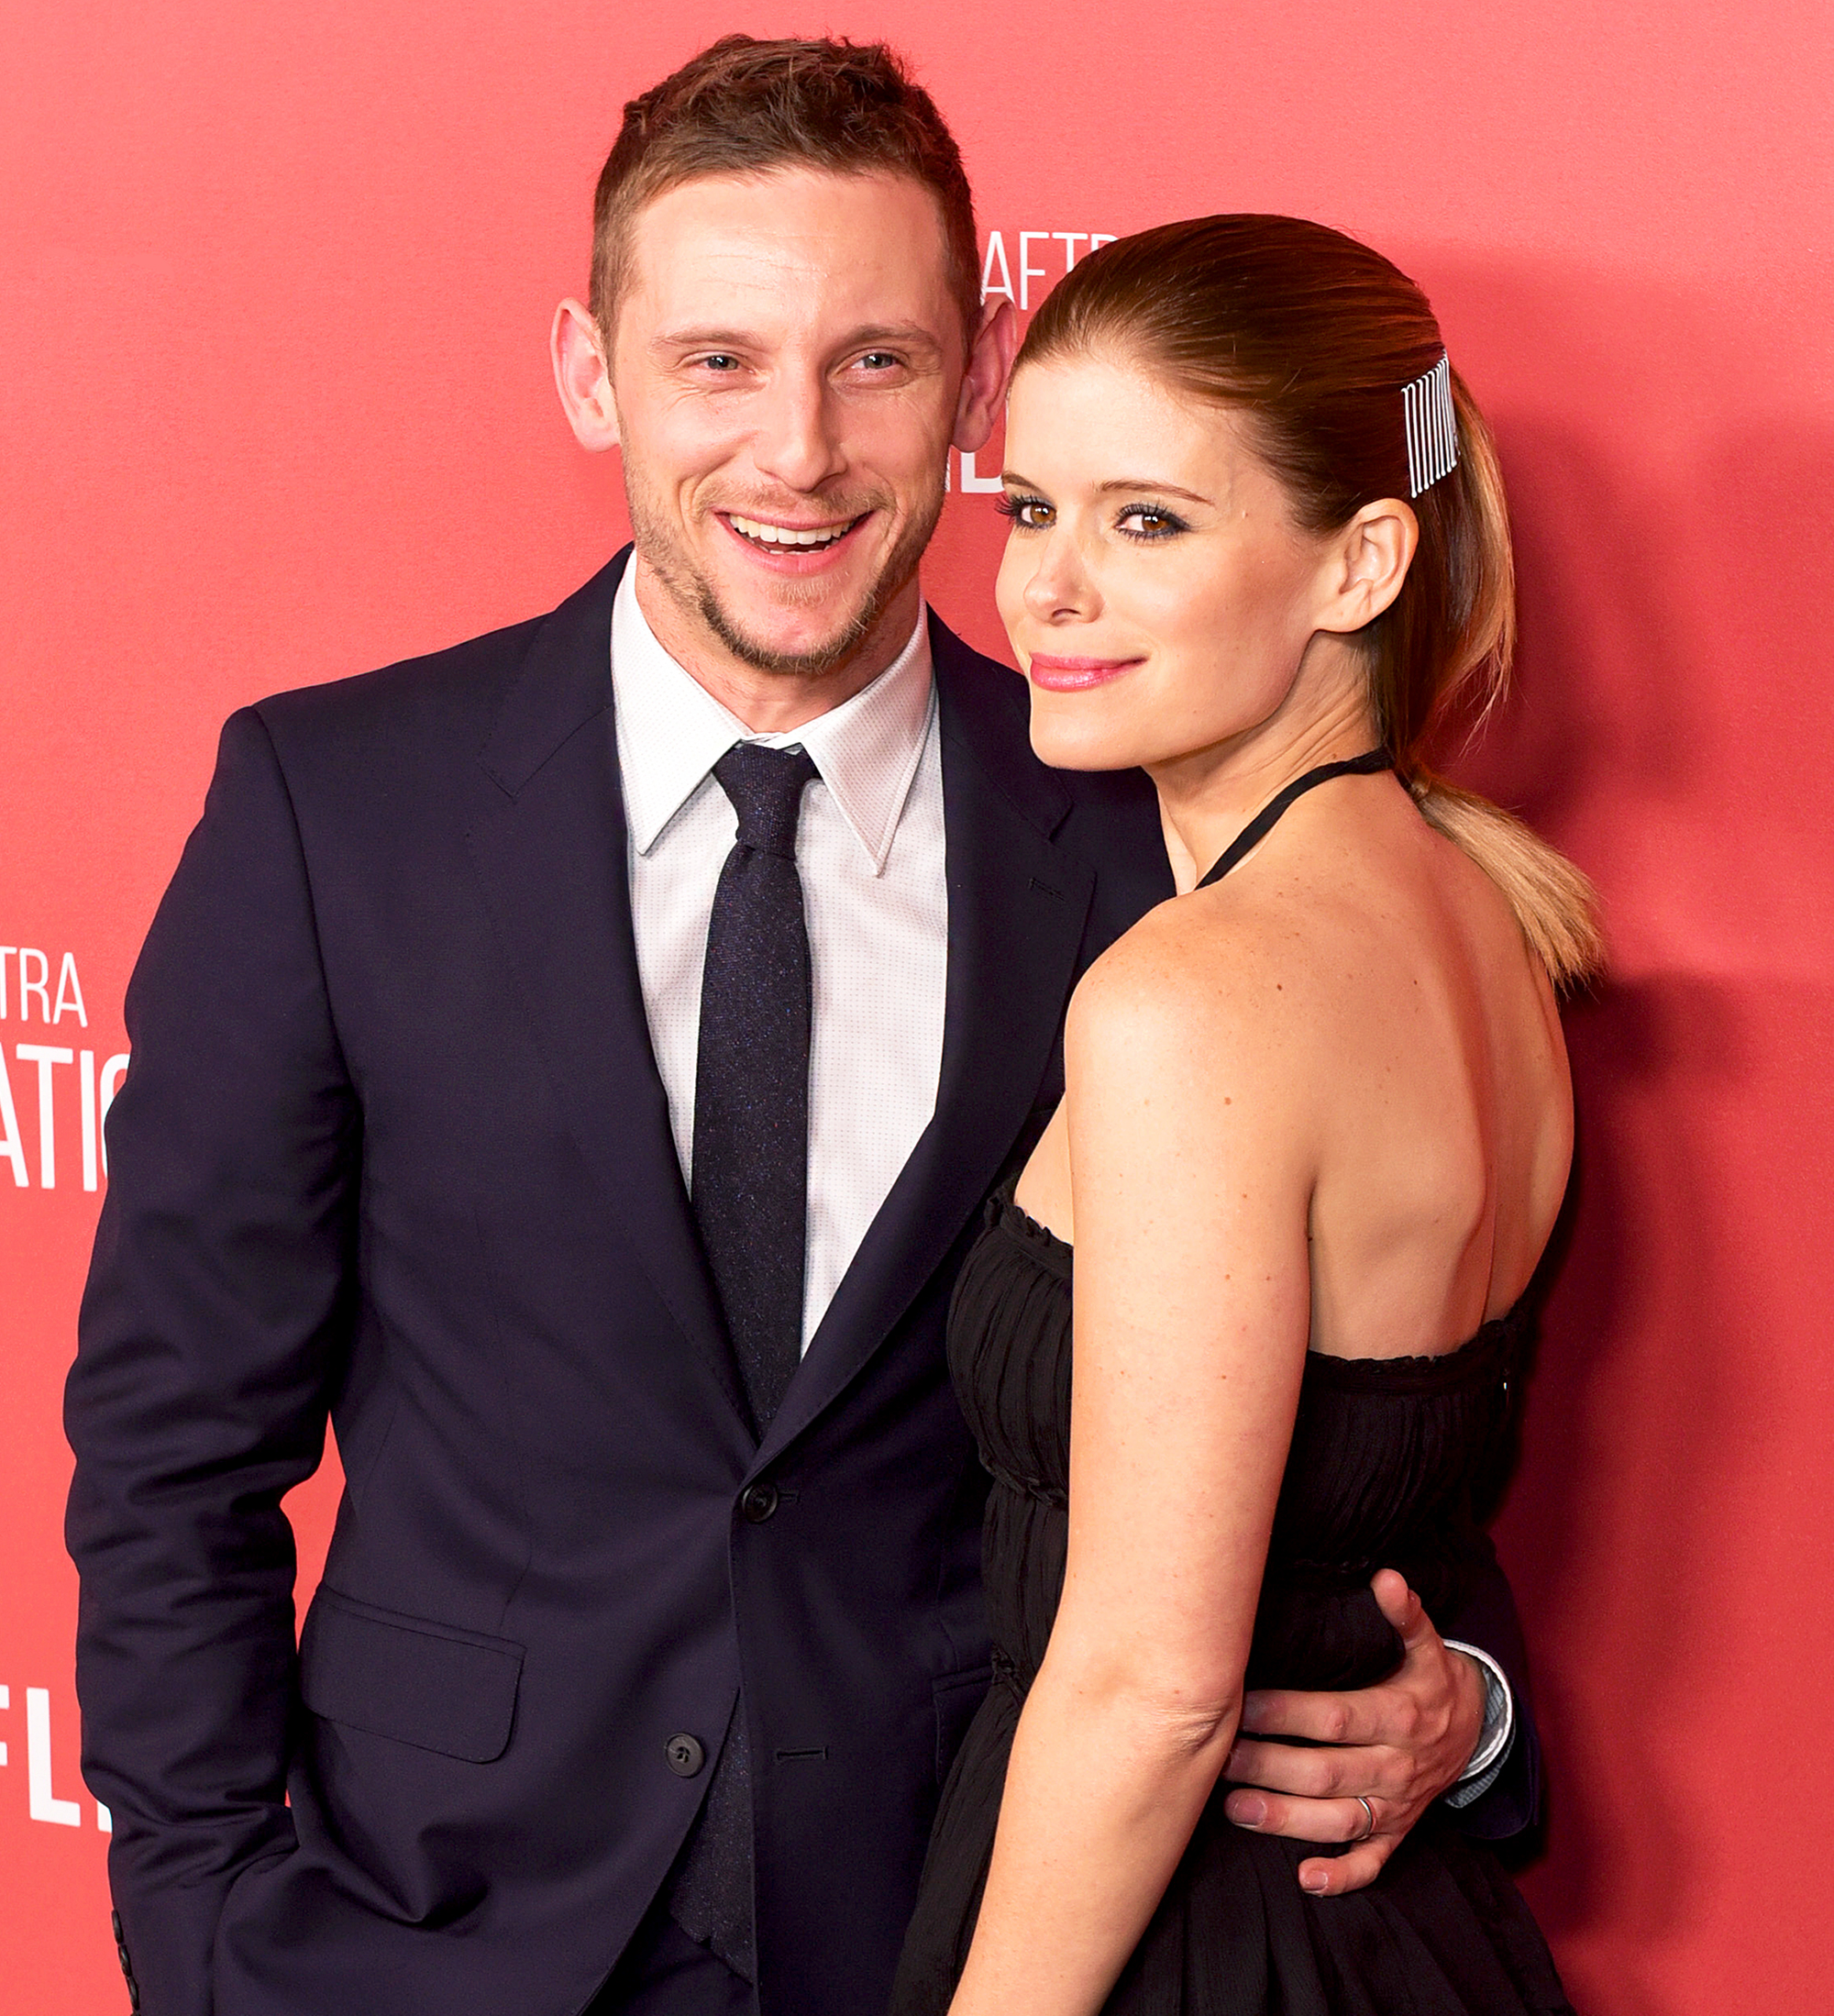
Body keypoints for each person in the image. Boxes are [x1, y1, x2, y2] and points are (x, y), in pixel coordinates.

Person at [66, 42, 1542, 2016]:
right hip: (428, 1941)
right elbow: (175, 1443)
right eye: (716, 364)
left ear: (976, 372)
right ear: (592, 372)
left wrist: (1471, 1706)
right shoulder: (335, 811)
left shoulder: (1146, 850)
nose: (798, 453)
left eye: (873, 362)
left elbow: (1343, 1407)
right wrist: (198, 1940)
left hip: (964, 1921)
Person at [889, 216, 1596, 2016]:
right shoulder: (1490, 926)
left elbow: (1150, 1684)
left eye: (1147, 520)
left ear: (1359, 560)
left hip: (1186, 1951)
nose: (1044, 589)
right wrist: (1475, 1715)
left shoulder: (1189, 998)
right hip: (1396, 1936)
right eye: (1030, 511)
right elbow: (1385, 1492)